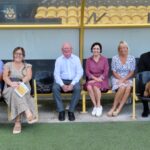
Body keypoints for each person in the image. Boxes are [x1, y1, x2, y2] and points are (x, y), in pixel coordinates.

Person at [3, 47, 37, 134]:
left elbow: (28, 76)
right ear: (13, 55)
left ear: (23, 56)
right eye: (16, 53)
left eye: (20, 54)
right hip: (9, 86)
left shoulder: (27, 66)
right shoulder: (8, 65)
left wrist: (20, 82)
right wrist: (11, 83)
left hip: (23, 87)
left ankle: (17, 123)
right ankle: (27, 111)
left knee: (16, 92)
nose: (18, 55)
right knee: (14, 91)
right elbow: (5, 77)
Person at [52, 43, 83, 121]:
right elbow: (56, 74)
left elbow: (80, 72)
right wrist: (62, 85)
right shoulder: (59, 60)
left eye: (68, 48)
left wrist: (72, 84)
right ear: (62, 50)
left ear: (71, 49)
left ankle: (71, 111)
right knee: (55, 88)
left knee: (78, 88)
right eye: (65, 49)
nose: (66, 50)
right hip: (61, 80)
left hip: (73, 80)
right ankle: (61, 110)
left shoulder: (76, 59)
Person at [107, 41, 135, 116]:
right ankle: (113, 107)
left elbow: (132, 72)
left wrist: (124, 79)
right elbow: (113, 71)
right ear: (118, 49)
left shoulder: (132, 58)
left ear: (127, 48)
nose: (123, 49)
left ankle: (119, 108)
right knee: (122, 87)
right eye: (121, 48)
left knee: (128, 87)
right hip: (116, 78)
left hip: (127, 78)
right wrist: (121, 79)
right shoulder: (114, 58)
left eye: (124, 47)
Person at [85, 42, 109, 117]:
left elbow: (106, 71)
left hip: (102, 80)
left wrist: (97, 79)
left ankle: (99, 105)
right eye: (94, 48)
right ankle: (95, 106)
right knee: (89, 87)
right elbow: (87, 72)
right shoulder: (88, 60)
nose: (96, 50)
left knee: (95, 86)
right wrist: (95, 79)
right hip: (92, 78)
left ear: (100, 50)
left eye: (98, 49)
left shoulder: (104, 59)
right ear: (92, 50)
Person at [138, 51, 150, 117]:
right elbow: (141, 71)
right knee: (141, 83)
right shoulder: (144, 56)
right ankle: (146, 109)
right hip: (146, 81)